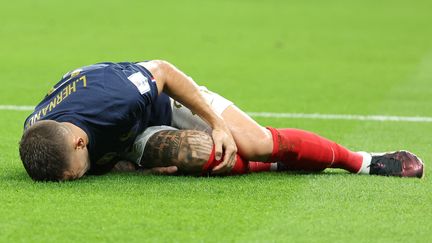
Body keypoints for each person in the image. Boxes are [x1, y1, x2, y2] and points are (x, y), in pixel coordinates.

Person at [19, 60, 425, 181]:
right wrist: (117, 161)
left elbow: (163, 70)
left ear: (78, 143)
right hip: (127, 134)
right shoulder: (39, 136)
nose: (73, 180)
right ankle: (280, 167)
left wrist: (215, 122)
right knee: (200, 155)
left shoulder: (115, 95)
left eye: (73, 175)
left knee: (253, 143)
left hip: (165, 101)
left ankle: (363, 160)